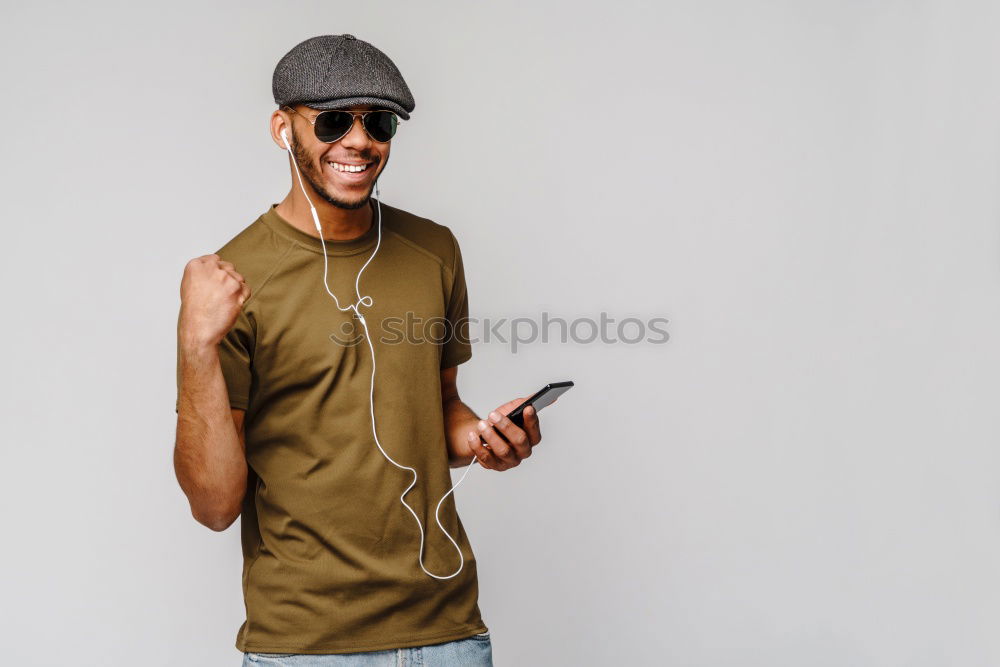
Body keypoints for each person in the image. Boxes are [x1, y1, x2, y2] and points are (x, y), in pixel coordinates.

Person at [173, 34, 546, 665]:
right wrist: (195, 347)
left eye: (377, 121)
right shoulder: (232, 280)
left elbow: (441, 408)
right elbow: (213, 507)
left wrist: (484, 438)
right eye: (332, 121)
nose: (358, 140)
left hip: (446, 633)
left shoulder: (434, 249)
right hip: (306, 645)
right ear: (281, 129)